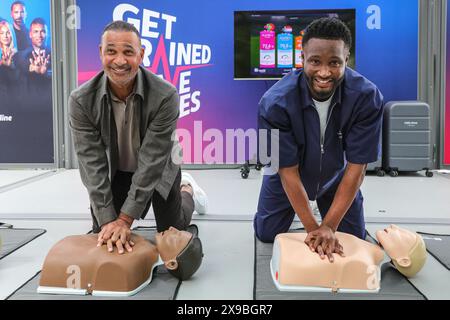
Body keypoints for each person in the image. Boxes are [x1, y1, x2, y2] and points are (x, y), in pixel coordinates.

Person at [69, 21, 208, 255]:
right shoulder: (81, 100)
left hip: (159, 166)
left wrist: (124, 220)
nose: (120, 61)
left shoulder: (165, 95)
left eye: (128, 52)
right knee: (102, 235)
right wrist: (108, 222)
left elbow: (152, 161)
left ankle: (189, 190)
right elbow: (92, 165)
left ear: (141, 54)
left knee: (172, 231)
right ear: (101, 52)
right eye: (111, 51)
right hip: (116, 169)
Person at [255, 17, 384, 262]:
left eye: (334, 62)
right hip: (286, 174)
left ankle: (322, 207)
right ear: (302, 59)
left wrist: (330, 226)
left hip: (336, 174)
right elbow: (286, 172)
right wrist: (314, 229)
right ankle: (191, 189)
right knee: (267, 233)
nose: (324, 72)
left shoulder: (368, 98)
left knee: (353, 236)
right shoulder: (272, 103)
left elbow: (358, 168)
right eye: (315, 61)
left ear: (347, 59)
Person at [38, 225, 203, 295]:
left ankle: (187, 190)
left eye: (177, 237)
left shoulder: (136, 259)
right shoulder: (143, 248)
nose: (172, 228)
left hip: (61, 254)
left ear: (171, 263)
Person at [270, 225, 426, 292]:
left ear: (404, 260)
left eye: (404, 236)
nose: (394, 226)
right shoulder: (361, 248)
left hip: (288, 260)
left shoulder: (364, 264)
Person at [0, 20, 19, 114]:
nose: (5, 36)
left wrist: (11, 66)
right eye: (2, 33)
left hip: (13, 101)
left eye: (8, 32)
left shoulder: (18, 54)